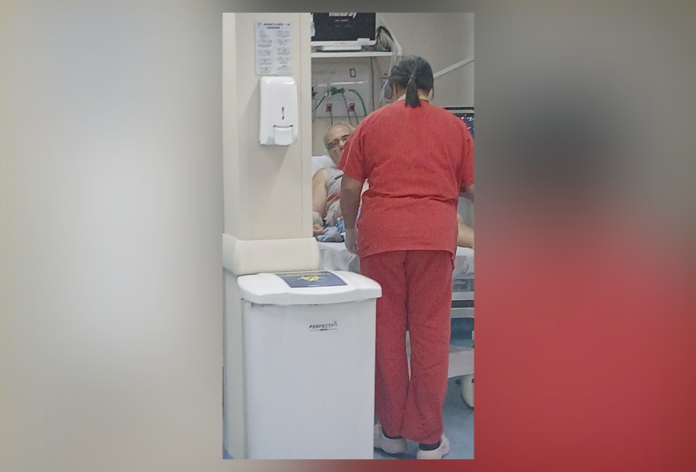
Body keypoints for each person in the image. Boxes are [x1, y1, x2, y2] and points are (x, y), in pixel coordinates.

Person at [339, 55, 474, 459]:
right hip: (434, 238)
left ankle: (391, 432)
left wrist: (350, 231)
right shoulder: (455, 128)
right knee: (431, 336)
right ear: (432, 88)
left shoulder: (372, 124)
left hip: (382, 238)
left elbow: (350, 187)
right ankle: (429, 441)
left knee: (387, 335)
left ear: (393, 87)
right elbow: (474, 188)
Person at [313, 123, 475, 247]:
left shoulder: (377, 167)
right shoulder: (327, 174)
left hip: (394, 207)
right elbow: (312, 214)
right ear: (329, 153)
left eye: (345, 138)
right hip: (356, 217)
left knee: (444, 215)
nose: (341, 145)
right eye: (333, 144)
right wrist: (313, 225)